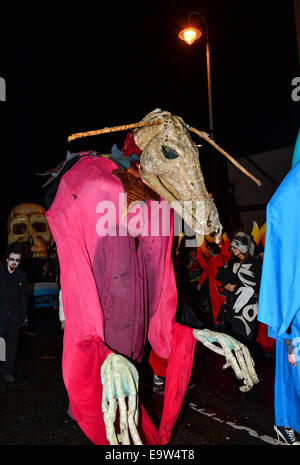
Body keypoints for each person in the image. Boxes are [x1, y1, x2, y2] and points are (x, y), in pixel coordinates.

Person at [258, 130, 300, 445]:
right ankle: (287, 422)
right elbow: (279, 212)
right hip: (294, 306)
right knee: (293, 359)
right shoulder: (293, 191)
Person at [0, 242, 28, 383]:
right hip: (1, 316)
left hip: (14, 318)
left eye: (17, 260)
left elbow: (23, 298)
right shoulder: (0, 274)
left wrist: (24, 316)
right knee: (1, 346)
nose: (14, 263)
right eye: (12, 259)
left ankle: (7, 372)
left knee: (11, 347)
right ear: (7, 259)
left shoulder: (22, 276)